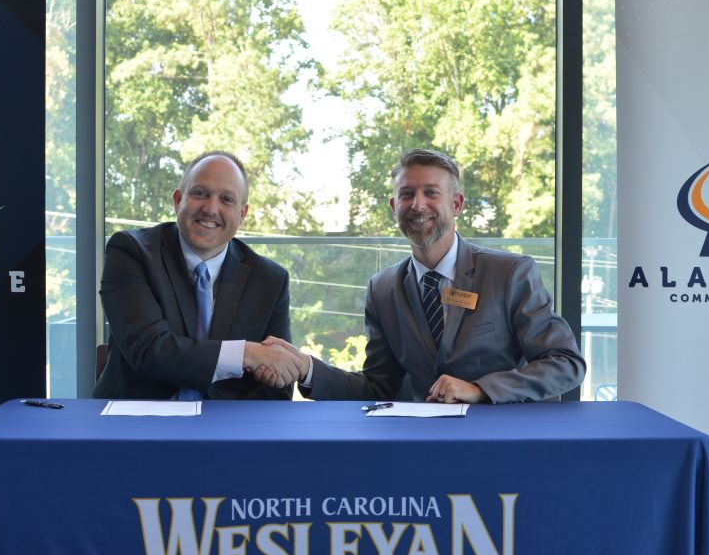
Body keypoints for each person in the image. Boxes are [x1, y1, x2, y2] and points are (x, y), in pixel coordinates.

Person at [258, 148, 586, 403]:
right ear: (393, 207)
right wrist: (306, 367)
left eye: (431, 192)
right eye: (406, 194)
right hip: (421, 450)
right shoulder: (382, 288)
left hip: (500, 442)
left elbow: (565, 363)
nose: (418, 204)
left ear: (456, 204)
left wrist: (479, 389)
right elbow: (378, 387)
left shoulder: (509, 273)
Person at [94, 151, 300, 400]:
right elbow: (149, 350)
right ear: (178, 200)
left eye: (226, 199)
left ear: (242, 214)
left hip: (227, 427)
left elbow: (278, 384)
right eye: (200, 193)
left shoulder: (270, 279)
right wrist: (248, 354)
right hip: (138, 425)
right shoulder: (131, 252)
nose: (211, 208)